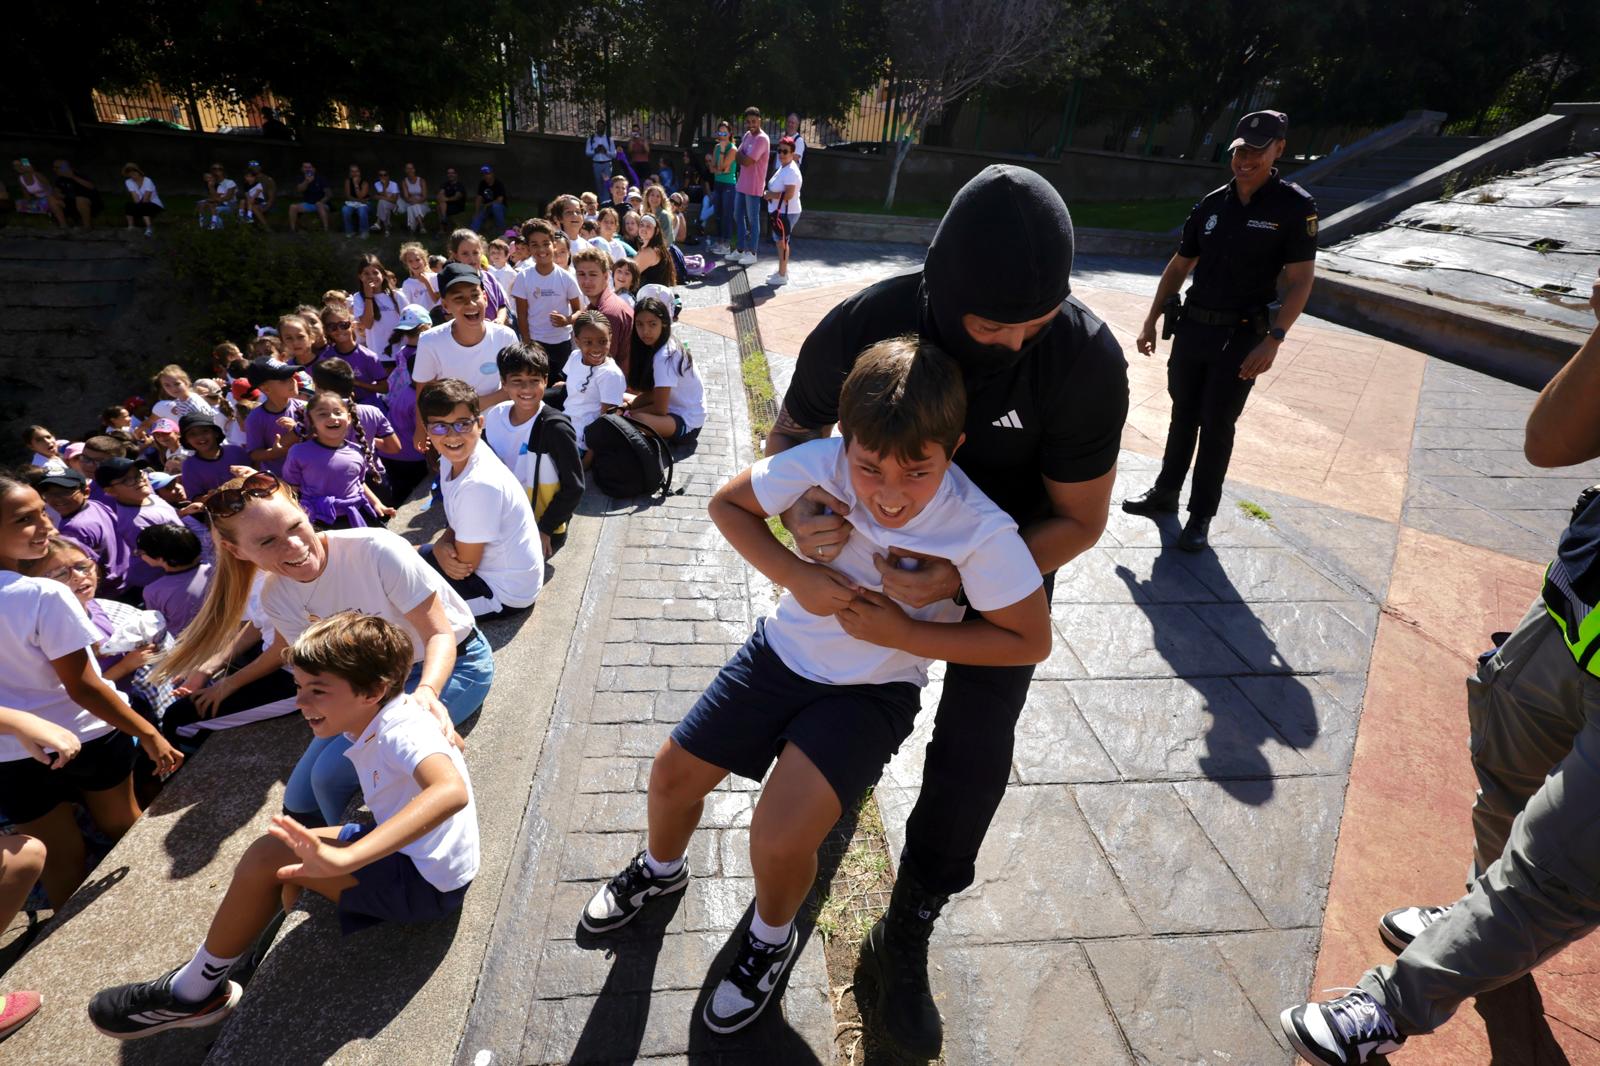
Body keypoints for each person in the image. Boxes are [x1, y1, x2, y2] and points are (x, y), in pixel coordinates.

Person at [581, 338, 1050, 1034]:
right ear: (845, 439)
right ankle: (660, 866)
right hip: (780, 654)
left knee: (778, 836)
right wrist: (795, 574)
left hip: (871, 692)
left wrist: (908, 634)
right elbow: (727, 505)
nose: (888, 494)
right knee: (672, 776)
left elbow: (1029, 640)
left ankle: (770, 939)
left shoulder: (978, 527)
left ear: (954, 448)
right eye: (869, 467)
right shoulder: (821, 462)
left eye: (917, 471)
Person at [768, 165, 1127, 1058]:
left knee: (977, 743)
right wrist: (801, 514)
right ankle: (824, 793)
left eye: (1036, 324)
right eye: (992, 327)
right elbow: (789, 441)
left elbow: (1080, 520)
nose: (1015, 343)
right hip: (869, 550)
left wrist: (964, 581)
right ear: (939, 292)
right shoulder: (865, 323)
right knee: (831, 679)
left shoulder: (1083, 358)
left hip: (1005, 563)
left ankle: (911, 920)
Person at [1279, 267, 1600, 1065]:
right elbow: (1548, 443)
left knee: (1555, 874)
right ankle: (1473, 927)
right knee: (1504, 799)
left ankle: (1389, 1008)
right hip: (1571, 617)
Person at [90, 611, 478, 1040]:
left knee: (268, 858)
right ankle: (240, 957)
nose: (300, 702)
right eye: (298, 687)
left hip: (423, 886)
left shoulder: (398, 730)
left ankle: (194, 994)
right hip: (425, 865)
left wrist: (349, 857)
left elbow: (450, 791)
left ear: (373, 691)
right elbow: (451, 749)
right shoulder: (394, 714)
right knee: (280, 857)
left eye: (317, 691)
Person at [157, 471, 492, 827]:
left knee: (328, 778)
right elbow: (326, 669)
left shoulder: (374, 549)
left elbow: (439, 632)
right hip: (372, 683)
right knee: (299, 800)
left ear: (305, 512)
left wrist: (426, 693)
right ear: (235, 550)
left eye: (295, 526)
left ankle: (355, 854)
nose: (294, 546)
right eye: (267, 541)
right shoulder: (276, 596)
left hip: (450, 665)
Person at [1121, 109, 1318, 553]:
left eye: (1256, 151)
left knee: (1216, 424)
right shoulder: (1211, 204)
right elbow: (1179, 265)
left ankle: (1200, 516)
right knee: (1182, 415)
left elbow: (1301, 280)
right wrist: (1151, 318)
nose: (1245, 160)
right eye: (1239, 151)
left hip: (1243, 336)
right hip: (1194, 329)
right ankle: (1165, 492)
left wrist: (1275, 339)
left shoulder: (1293, 207)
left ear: (1279, 149)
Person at [0, 476, 181, 910]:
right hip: (91, 735)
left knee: (59, 860)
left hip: (10, 754)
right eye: (25, 519)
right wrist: (149, 733)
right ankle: (159, 908)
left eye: (43, 512)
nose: (46, 525)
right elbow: (83, 686)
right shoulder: (42, 593)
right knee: (125, 829)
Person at [417, 379, 543, 616]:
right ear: (427, 429)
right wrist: (441, 545)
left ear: (480, 424)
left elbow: (463, 566)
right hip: (488, 571)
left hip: (500, 593)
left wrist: (439, 548)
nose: (452, 435)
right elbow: (457, 524)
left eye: (463, 424)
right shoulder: (454, 457)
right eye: (440, 426)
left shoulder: (479, 485)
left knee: (398, 604)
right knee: (399, 555)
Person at [480, 343, 583, 559]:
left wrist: (545, 529)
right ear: (504, 383)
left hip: (542, 525)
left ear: (545, 380)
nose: (526, 389)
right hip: (504, 518)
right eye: (517, 381)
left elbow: (574, 486)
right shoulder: (495, 416)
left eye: (534, 380)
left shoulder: (555, 428)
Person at [412, 263, 519, 418]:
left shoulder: (506, 336)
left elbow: (516, 387)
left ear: (485, 298)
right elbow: (423, 400)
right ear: (445, 305)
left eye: (475, 295)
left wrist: (467, 407)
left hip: (499, 425)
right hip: (452, 428)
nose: (470, 304)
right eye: (459, 298)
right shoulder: (429, 341)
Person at [282, 392, 390, 530]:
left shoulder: (357, 451)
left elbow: (359, 483)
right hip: (319, 519)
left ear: (349, 418)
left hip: (355, 515)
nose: (332, 417)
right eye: (323, 414)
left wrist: (376, 503)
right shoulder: (298, 452)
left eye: (338, 412)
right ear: (311, 421)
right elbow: (291, 489)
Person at [622, 296, 704, 447]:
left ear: (664, 323)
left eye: (652, 324)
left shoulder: (664, 356)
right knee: (621, 399)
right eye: (640, 324)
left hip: (686, 422)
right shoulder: (658, 345)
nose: (645, 331)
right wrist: (627, 407)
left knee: (636, 420)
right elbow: (655, 394)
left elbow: (660, 409)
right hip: (670, 407)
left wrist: (627, 414)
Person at [98, 457, 182, 600]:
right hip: (163, 580)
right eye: (127, 480)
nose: (139, 480)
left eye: (138, 474)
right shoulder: (135, 522)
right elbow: (168, 558)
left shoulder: (147, 495)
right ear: (110, 491)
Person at [381, 304, 436, 506]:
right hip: (410, 454)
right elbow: (422, 429)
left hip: (394, 450)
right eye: (409, 333)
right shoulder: (423, 354)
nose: (411, 338)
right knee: (409, 489)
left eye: (414, 332)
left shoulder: (404, 355)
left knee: (399, 491)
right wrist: (431, 459)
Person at [512, 219, 582, 370]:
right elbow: (521, 315)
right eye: (534, 245)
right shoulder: (523, 277)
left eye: (545, 243)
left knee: (561, 382)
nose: (541, 249)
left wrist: (567, 320)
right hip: (535, 343)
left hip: (562, 343)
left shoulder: (566, 277)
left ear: (554, 245)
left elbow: (579, 310)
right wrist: (527, 343)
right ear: (528, 248)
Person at [562, 310, 626, 455]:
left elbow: (606, 424)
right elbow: (575, 385)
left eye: (602, 342)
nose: (596, 348)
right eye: (588, 342)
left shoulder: (610, 374)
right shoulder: (575, 356)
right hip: (565, 425)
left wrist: (587, 461)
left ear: (610, 338)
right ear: (577, 341)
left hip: (583, 442)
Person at [570, 246, 633, 376]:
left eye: (593, 274)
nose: (587, 281)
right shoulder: (595, 306)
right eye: (581, 274)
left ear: (605, 276)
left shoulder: (608, 313)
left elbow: (601, 363)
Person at [242, 357, 305, 478]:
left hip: (306, 474)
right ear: (266, 388)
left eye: (292, 376)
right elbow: (254, 454)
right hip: (278, 479)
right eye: (284, 379)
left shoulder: (306, 408)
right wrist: (274, 453)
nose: (293, 381)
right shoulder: (255, 418)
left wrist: (298, 429)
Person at [728, 107, 770, 267]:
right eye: (748, 122)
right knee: (737, 216)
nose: (751, 124)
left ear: (760, 120)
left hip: (753, 186)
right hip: (742, 184)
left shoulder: (762, 139)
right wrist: (742, 156)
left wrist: (742, 156)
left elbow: (745, 161)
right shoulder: (747, 135)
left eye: (754, 121)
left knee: (753, 220)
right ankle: (740, 249)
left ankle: (752, 253)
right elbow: (737, 156)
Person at [318, 305, 388, 398]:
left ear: (352, 325)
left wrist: (356, 383)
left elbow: (384, 388)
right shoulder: (326, 358)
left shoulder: (368, 356)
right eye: (332, 327)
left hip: (368, 404)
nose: (339, 330)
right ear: (326, 330)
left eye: (343, 325)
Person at [178, 413, 251, 500]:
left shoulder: (236, 451)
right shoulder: (189, 466)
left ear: (215, 433)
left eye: (205, 431)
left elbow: (256, 474)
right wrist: (210, 497)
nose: (200, 437)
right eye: (192, 434)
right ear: (187, 440)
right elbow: (194, 497)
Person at [448, 228, 510, 326]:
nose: (472, 258)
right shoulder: (452, 284)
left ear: (481, 252)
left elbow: (502, 305)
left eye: (475, 252)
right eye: (465, 254)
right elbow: (448, 315)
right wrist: (475, 323)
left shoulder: (489, 277)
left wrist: (499, 320)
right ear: (456, 255)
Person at [352, 253, 409, 360]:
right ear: (360, 277)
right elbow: (368, 324)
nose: (371, 277)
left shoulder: (397, 296)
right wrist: (369, 297)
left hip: (401, 354)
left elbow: (409, 323)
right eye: (366, 273)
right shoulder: (359, 298)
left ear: (382, 274)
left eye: (375, 273)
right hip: (378, 356)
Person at [764, 137, 803, 287]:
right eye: (779, 150)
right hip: (780, 212)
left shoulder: (791, 171)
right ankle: (782, 271)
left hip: (787, 213)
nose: (781, 154)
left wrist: (770, 195)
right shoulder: (784, 167)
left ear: (792, 153)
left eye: (785, 151)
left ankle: (782, 275)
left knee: (783, 243)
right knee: (781, 242)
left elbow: (788, 195)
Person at [13, 158, 65, 227]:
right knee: (19, 204)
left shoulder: (37, 175)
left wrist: (48, 198)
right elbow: (26, 194)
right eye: (15, 166)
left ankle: (63, 224)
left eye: (20, 165)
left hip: (51, 197)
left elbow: (49, 189)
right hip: (40, 200)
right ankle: (37, 222)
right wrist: (30, 201)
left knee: (51, 200)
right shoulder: (21, 179)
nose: (17, 168)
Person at [52, 159, 99, 229]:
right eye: (54, 167)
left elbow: (91, 187)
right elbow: (56, 190)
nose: (54, 170)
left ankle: (87, 226)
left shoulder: (79, 174)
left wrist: (73, 177)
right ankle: (63, 225)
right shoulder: (60, 179)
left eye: (57, 167)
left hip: (87, 203)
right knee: (52, 199)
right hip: (70, 202)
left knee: (80, 200)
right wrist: (57, 194)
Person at [287, 162, 331, 232]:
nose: (307, 169)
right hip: (309, 204)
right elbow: (300, 189)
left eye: (309, 167)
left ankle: (326, 229)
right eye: (305, 167)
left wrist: (321, 202)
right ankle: (293, 229)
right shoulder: (301, 178)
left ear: (314, 169)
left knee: (318, 204)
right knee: (292, 207)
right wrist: (306, 181)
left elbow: (328, 194)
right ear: (302, 169)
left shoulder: (321, 178)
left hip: (322, 204)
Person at [121, 163, 162, 237]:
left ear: (138, 172)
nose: (132, 175)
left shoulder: (147, 180)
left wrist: (139, 206)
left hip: (154, 205)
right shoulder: (128, 182)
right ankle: (131, 226)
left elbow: (146, 199)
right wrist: (138, 205)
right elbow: (136, 200)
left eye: (134, 172)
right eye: (130, 173)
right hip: (141, 205)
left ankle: (149, 228)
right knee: (128, 205)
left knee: (144, 205)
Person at [400, 241, 439, 309]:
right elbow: (409, 307)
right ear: (407, 264)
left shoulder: (435, 277)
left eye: (417, 260)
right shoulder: (407, 284)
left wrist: (426, 282)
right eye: (410, 261)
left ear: (424, 260)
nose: (415, 263)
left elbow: (437, 301)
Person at [196, 162, 236, 230]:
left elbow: (228, 198)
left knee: (211, 207)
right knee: (201, 204)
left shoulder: (230, 182)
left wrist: (213, 200)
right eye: (214, 169)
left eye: (219, 169)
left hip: (229, 205)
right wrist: (211, 187)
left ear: (223, 171)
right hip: (218, 203)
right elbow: (213, 197)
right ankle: (202, 225)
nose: (217, 170)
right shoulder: (213, 183)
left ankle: (218, 228)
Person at [471, 165, 507, 234]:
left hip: (500, 208)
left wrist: (487, 205)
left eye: (487, 173)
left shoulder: (498, 184)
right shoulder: (482, 183)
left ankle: (502, 230)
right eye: (483, 174)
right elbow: (479, 198)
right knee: (477, 216)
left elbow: (499, 200)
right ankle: (471, 234)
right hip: (487, 208)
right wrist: (476, 211)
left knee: (495, 206)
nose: (485, 176)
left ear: (492, 174)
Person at [340, 164, 371, 238]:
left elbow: (361, 196)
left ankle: (364, 232)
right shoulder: (348, 181)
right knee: (345, 210)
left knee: (362, 210)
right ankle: (350, 231)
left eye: (356, 171)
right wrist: (361, 200)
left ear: (359, 172)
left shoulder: (365, 183)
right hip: (352, 203)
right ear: (350, 173)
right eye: (352, 171)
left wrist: (356, 185)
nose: (354, 173)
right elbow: (348, 196)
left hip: (364, 205)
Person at [586, 120, 616, 197]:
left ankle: (606, 201)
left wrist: (605, 151)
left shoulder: (609, 139)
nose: (600, 128)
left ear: (605, 127)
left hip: (607, 164)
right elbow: (587, 153)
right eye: (598, 126)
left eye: (602, 126)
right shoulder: (591, 138)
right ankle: (601, 200)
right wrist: (595, 151)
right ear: (596, 127)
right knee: (598, 185)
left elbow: (614, 155)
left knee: (607, 185)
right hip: (596, 164)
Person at [399, 162, 429, 233]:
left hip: (422, 203)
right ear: (405, 170)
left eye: (411, 168)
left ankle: (415, 227)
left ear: (414, 170)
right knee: (412, 206)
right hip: (410, 202)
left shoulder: (421, 181)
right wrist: (412, 201)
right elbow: (406, 197)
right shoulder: (404, 182)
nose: (410, 170)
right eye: (408, 168)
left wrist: (416, 201)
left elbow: (424, 197)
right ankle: (421, 226)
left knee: (412, 207)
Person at [436, 166, 466, 232]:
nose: (450, 175)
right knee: (440, 204)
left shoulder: (459, 185)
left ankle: (442, 229)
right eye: (449, 173)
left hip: (457, 206)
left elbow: (457, 197)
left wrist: (446, 199)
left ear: (456, 174)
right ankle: (444, 220)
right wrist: (441, 197)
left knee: (439, 206)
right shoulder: (445, 184)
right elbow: (440, 194)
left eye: (452, 173)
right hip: (446, 205)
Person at [372, 168, 400, 235]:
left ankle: (379, 223)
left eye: (385, 175)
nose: (383, 177)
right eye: (381, 175)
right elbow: (385, 196)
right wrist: (384, 188)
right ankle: (387, 229)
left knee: (381, 201)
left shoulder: (394, 184)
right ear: (379, 177)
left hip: (396, 204)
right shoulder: (377, 184)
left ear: (388, 176)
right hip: (386, 203)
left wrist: (381, 196)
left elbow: (394, 200)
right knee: (383, 205)